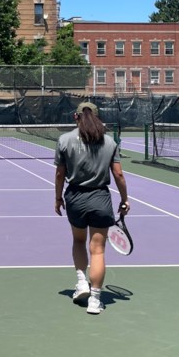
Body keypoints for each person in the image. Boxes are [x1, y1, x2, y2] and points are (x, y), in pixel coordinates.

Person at [54, 102, 129, 316]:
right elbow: (119, 175)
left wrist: (58, 198)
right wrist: (125, 199)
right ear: (98, 117)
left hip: (76, 198)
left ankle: (81, 283)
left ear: (75, 117)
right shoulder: (109, 142)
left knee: (78, 241)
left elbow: (60, 174)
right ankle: (95, 300)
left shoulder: (64, 140)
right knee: (98, 250)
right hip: (100, 199)